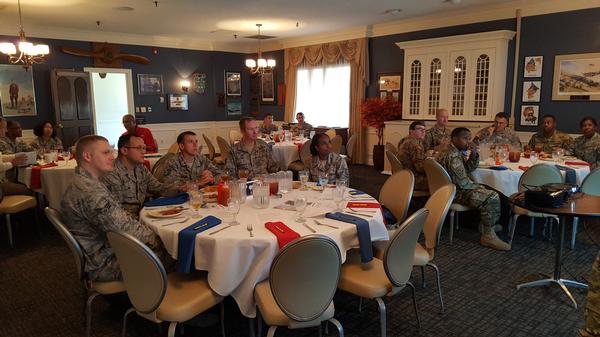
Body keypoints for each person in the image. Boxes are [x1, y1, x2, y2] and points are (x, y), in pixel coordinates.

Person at [60, 135, 158, 282]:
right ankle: (157, 299)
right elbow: (124, 229)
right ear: (87, 156)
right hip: (105, 261)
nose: (112, 157)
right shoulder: (88, 190)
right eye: (106, 153)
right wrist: (159, 238)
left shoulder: (88, 182)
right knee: (174, 253)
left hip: (108, 248)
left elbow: (119, 219)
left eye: (111, 152)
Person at [436, 127, 511, 251]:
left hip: (450, 188)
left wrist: (474, 154)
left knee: (487, 190)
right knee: (491, 196)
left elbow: (467, 170)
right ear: (454, 139)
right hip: (455, 192)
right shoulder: (452, 155)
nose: (468, 142)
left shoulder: (454, 151)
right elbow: (462, 183)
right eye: (465, 138)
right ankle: (488, 235)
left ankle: (487, 226)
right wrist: (478, 186)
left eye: (469, 139)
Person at [101, 134, 179, 219]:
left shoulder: (140, 168)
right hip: (126, 222)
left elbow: (158, 188)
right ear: (124, 150)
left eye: (144, 148)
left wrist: (182, 188)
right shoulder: (112, 173)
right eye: (139, 148)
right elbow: (116, 212)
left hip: (142, 215)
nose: (143, 152)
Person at [0, 118, 30, 195]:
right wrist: (12, 163)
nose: (5, 130)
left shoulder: (19, 141)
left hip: (6, 178)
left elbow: (2, 157)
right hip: (3, 181)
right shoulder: (2, 142)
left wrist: (15, 157)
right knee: (29, 189)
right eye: (4, 128)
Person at [397, 121, 429, 190]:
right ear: (411, 131)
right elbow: (420, 168)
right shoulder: (415, 145)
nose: (423, 132)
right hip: (413, 179)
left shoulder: (404, 140)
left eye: (424, 130)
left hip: (404, 175)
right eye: (420, 129)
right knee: (440, 181)